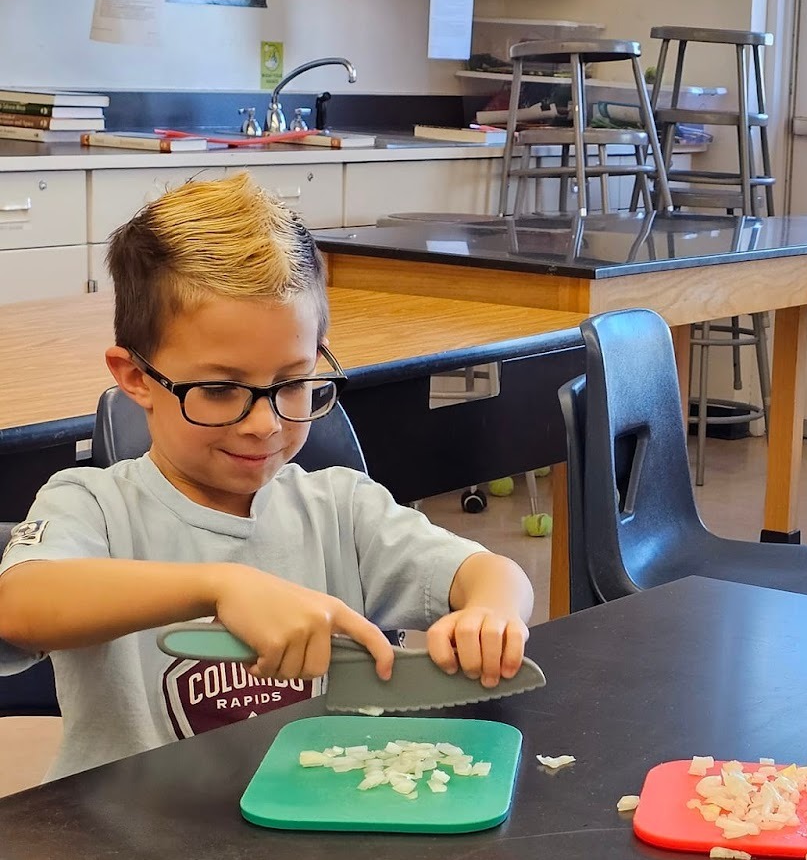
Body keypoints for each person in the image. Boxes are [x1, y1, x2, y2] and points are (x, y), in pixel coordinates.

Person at [0, 174, 535, 780]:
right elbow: (18, 605)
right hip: (134, 851)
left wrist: (491, 613)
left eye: (291, 383)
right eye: (221, 389)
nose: (262, 424)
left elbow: (495, 573)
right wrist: (220, 586)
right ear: (136, 378)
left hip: (318, 837)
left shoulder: (341, 509)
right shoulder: (92, 505)